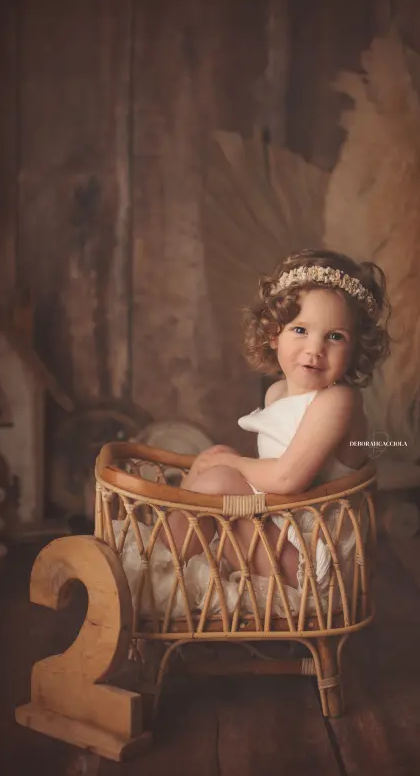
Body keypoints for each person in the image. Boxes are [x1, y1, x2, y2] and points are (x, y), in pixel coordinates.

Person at [165, 249, 390, 587]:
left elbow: (286, 480)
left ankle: (161, 567)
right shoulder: (277, 393)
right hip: (276, 528)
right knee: (213, 461)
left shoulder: (338, 401)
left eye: (335, 337)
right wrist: (224, 461)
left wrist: (232, 465)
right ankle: (166, 550)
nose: (315, 349)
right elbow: (266, 483)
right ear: (274, 335)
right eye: (300, 330)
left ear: (356, 348)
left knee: (220, 478)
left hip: (308, 560)